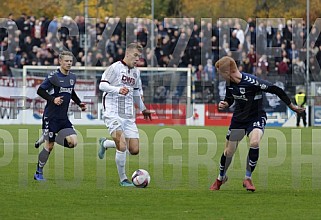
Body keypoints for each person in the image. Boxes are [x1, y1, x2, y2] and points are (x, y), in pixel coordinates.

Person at [210, 56, 305, 192]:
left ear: (227, 72)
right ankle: (220, 178)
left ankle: (247, 178)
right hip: (238, 120)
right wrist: (226, 103)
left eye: (221, 74)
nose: (220, 77)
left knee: (254, 142)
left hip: (256, 117)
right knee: (229, 151)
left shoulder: (252, 82)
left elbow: (275, 89)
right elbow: (230, 98)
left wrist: (292, 106)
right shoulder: (230, 83)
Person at [98, 43, 154, 187]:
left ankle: (105, 143)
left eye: (139, 57)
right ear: (127, 54)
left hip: (128, 114)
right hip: (112, 111)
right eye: (135, 55)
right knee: (122, 145)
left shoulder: (136, 72)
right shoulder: (114, 68)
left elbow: (136, 93)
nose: (137, 59)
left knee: (134, 150)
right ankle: (123, 179)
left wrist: (143, 109)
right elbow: (102, 85)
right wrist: (117, 90)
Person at [33, 51, 87, 181]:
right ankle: (38, 172)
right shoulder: (53, 77)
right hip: (50, 117)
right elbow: (40, 90)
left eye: (70, 61)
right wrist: (53, 99)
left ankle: (46, 136)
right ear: (60, 62)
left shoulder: (72, 77)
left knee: (73, 143)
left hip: (63, 118)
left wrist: (79, 103)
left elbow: (71, 92)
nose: (69, 63)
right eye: (66, 61)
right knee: (49, 146)